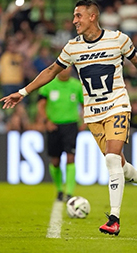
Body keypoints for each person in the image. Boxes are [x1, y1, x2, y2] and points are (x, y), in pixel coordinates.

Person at [1, 0, 137, 236]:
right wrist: (23, 92)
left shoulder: (118, 39)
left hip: (117, 105)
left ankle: (114, 219)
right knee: (119, 165)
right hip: (93, 113)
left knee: (110, 159)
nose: (74, 20)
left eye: (78, 16)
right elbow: (50, 72)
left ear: (92, 17)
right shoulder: (72, 48)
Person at [37, 67, 83, 202]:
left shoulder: (77, 86)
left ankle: (69, 192)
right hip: (53, 126)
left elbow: (85, 104)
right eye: (62, 67)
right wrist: (46, 121)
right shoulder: (48, 85)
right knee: (55, 161)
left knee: (70, 157)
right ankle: (59, 190)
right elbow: (41, 105)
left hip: (71, 125)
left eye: (67, 67)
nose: (64, 70)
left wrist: (84, 120)